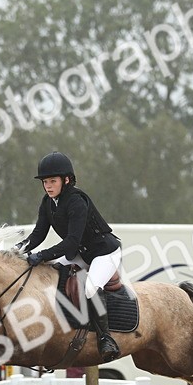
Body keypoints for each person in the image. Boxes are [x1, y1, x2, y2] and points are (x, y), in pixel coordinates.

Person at [18, 151, 122, 360]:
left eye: (52, 181)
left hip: (104, 252)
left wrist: (41, 255)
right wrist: (18, 249)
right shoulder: (48, 202)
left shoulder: (76, 201)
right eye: (45, 181)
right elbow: (38, 233)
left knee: (91, 288)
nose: (48, 186)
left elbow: (71, 242)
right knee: (47, 273)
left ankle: (106, 338)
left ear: (66, 180)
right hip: (80, 253)